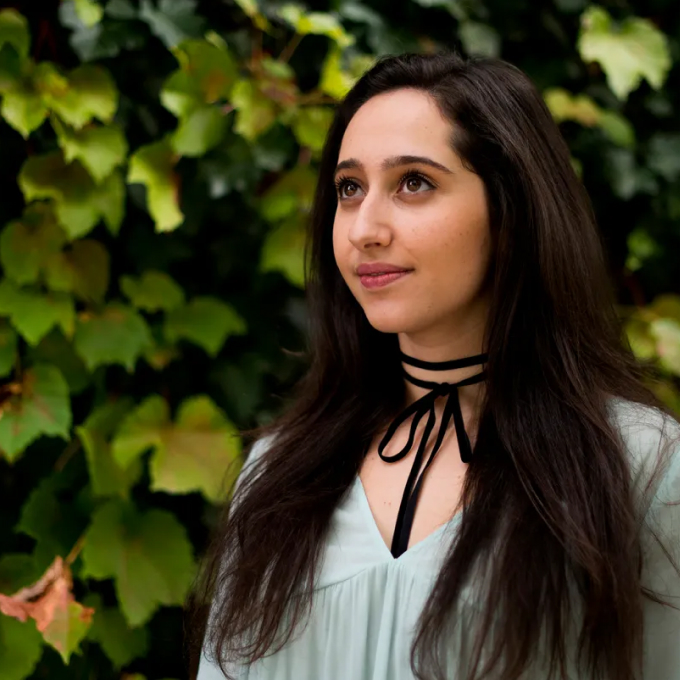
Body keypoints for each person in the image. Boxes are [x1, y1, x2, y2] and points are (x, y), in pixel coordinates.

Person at [188, 52, 680, 680]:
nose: (364, 228)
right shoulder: (278, 471)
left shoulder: (639, 463)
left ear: (511, 212)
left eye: (413, 182)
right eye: (349, 188)